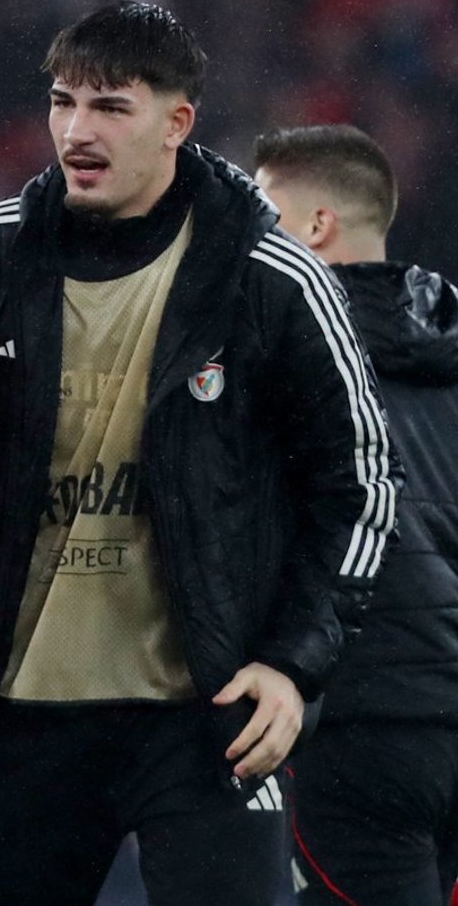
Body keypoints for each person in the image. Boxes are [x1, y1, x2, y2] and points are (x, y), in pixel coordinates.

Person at [0, 2, 397, 906]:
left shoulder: (272, 276)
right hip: (25, 710)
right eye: (63, 102)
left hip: (203, 720)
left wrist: (293, 663)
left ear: (178, 123)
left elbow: (360, 480)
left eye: (110, 107)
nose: (76, 130)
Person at [254, 126, 458, 906]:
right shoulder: (447, 347)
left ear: (316, 228)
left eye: (266, 215)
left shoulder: (282, 352)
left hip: (359, 723)